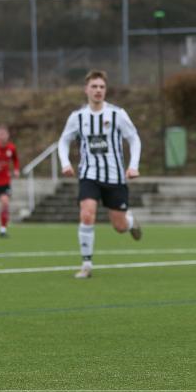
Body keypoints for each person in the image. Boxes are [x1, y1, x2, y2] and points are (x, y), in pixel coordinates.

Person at [58, 70, 143, 279]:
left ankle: (131, 222)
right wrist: (65, 163)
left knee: (119, 226)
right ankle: (86, 264)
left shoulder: (117, 114)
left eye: (101, 87)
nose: (98, 90)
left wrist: (133, 165)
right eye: (94, 87)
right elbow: (64, 141)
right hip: (89, 175)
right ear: (86, 89)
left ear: (106, 90)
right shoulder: (77, 117)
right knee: (87, 213)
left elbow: (134, 138)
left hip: (115, 178)